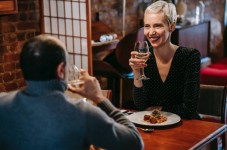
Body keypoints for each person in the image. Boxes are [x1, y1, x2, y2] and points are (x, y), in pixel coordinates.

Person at [0, 35, 144, 150]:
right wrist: (100, 98)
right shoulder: (82, 113)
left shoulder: (2, 104)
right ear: (61, 70)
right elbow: (134, 142)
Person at [129, 0, 201, 119]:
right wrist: (137, 73)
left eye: (158, 26)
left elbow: (189, 109)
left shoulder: (190, 57)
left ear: (172, 26)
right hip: (156, 126)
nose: (151, 32)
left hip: (187, 126)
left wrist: (159, 108)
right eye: (147, 26)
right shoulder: (144, 57)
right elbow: (141, 106)